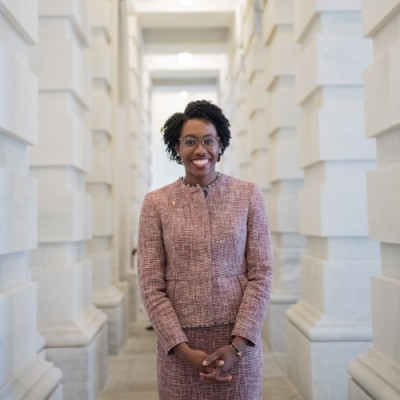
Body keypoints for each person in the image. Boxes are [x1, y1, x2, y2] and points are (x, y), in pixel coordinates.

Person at [137, 100, 273, 399]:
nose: (201, 150)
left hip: (240, 344)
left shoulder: (248, 195)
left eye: (208, 141)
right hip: (179, 348)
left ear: (220, 144)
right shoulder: (155, 203)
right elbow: (150, 284)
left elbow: (261, 274)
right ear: (177, 147)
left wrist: (237, 346)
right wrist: (184, 351)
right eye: (190, 142)